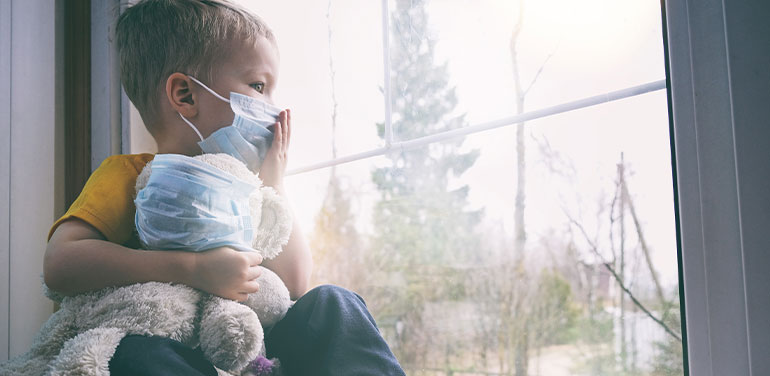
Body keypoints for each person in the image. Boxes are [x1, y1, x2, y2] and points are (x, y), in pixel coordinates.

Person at [43, 1, 405, 375]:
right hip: (175, 344)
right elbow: (60, 264)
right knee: (134, 354)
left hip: (256, 353)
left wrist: (273, 183)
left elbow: (296, 284)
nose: (276, 110)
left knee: (334, 303)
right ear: (185, 95)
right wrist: (192, 268)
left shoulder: (251, 187)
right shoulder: (129, 175)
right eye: (259, 87)